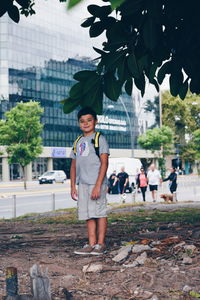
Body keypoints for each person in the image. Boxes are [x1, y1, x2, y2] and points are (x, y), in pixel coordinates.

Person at [70, 107, 109, 255]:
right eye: (82, 121)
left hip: (96, 183)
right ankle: (91, 244)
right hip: (83, 183)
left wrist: (98, 185)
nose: (85, 123)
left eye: (89, 120)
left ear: (95, 121)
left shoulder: (100, 139)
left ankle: (100, 244)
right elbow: (73, 165)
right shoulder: (78, 141)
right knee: (88, 214)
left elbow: (104, 163)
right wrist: (73, 185)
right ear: (79, 124)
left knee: (99, 212)